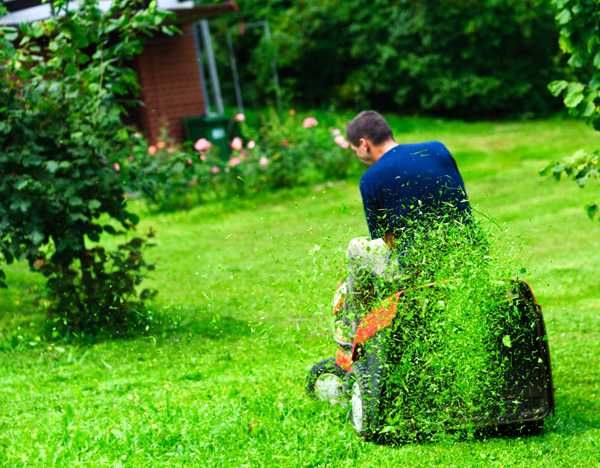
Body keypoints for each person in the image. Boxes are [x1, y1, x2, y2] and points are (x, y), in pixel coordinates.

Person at [332, 110, 471, 349]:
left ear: (364, 144)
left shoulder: (370, 179)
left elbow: (389, 241)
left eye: (355, 150)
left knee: (357, 248)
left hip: (422, 267)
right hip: (467, 252)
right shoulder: (437, 149)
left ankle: (356, 329)